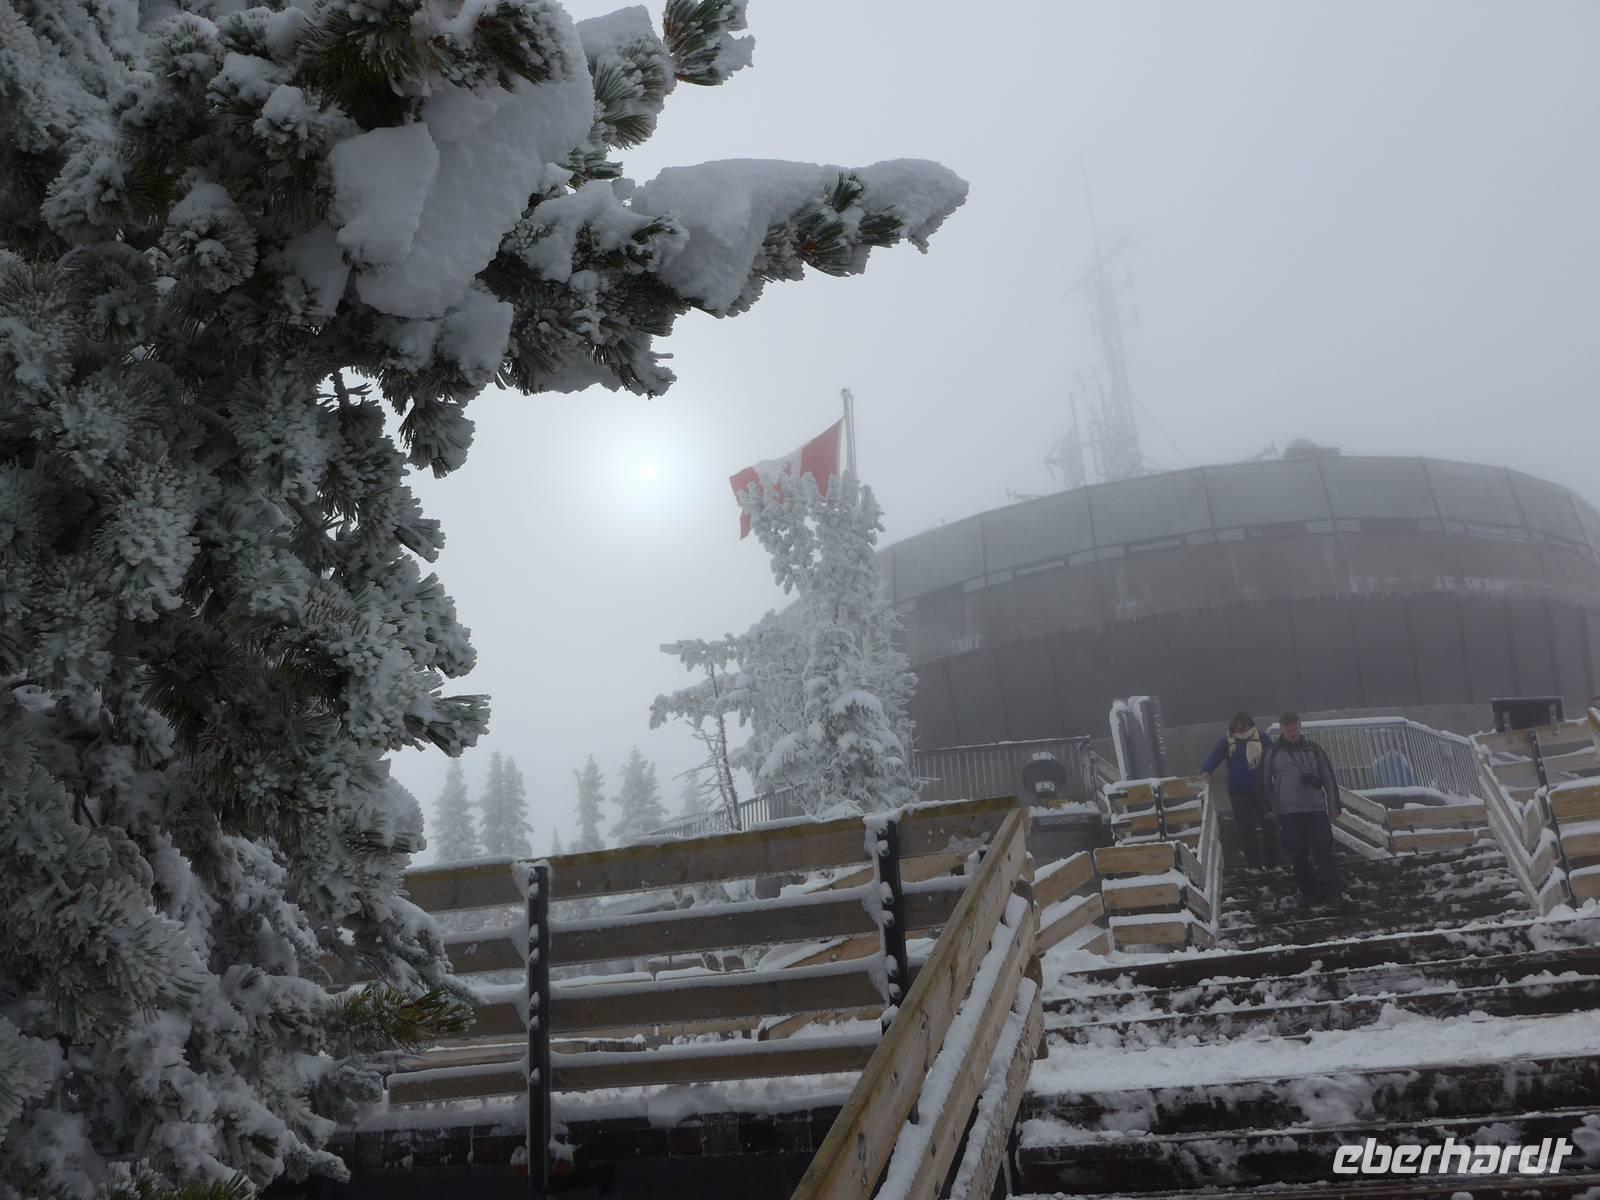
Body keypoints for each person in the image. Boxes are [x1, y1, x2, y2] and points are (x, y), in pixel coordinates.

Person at [1261, 711, 1343, 903]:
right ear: (1281, 730)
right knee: (1298, 853)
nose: (1292, 733)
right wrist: (1270, 807)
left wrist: (1334, 806)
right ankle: (1309, 893)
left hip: (1316, 808)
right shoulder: (1272, 752)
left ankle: (1333, 892)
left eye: (1295, 729)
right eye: (1288, 730)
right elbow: (1264, 782)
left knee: (1323, 849)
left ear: (1300, 727)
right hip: (1289, 812)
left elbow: (1328, 777)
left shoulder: (1314, 749)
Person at [1199, 711, 1277, 869]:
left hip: (1262, 790)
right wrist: (1206, 770)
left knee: (1269, 827)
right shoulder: (1227, 742)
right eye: (1238, 729)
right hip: (1238, 792)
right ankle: (1254, 865)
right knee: (1246, 828)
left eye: (1244, 728)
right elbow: (1215, 756)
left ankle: (1272, 863)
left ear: (1250, 725)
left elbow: (1275, 757)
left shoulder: (1262, 738)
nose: (1241, 731)